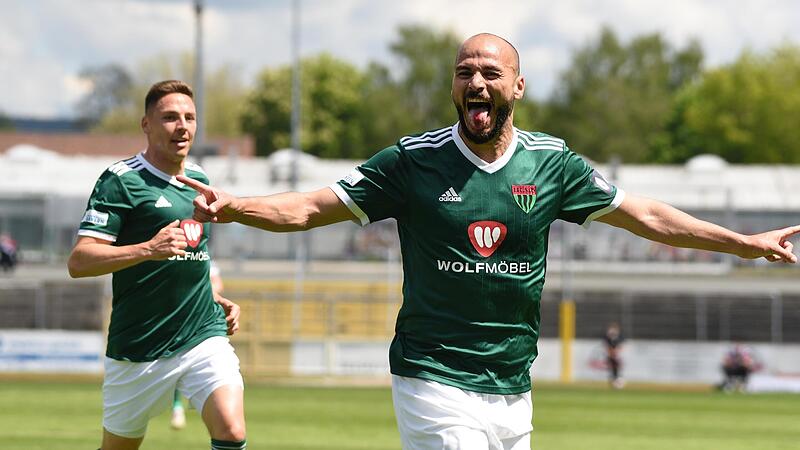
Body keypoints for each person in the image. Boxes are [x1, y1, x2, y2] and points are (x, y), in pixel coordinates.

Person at [179, 34, 800, 450]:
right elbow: (310, 207)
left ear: (517, 87)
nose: (475, 81)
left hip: (511, 385)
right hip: (432, 374)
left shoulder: (553, 164)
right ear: (454, 87)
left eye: (490, 72)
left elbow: (648, 216)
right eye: (464, 72)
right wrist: (237, 207)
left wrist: (742, 243)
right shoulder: (412, 162)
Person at [67, 80, 247, 450]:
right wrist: (148, 248)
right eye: (169, 117)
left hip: (202, 334)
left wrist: (216, 297)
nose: (181, 126)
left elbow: (195, 255)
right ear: (146, 125)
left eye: (189, 118)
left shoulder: (199, 181)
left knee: (231, 429)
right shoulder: (120, 181)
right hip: (139, 347)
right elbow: (80, 260)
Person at [170, 262, 225, 430]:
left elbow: (218, 284)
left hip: (204, 322)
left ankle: (196, 400)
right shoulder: (173, 257)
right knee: (174, 364)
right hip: (177, 322)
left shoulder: (206, 260)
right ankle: (177, 407)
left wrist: (199, 290)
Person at [603, 323, 625, 389]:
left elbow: (621, 346)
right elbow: (607, 347)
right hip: (611, 356)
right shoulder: (608, 338)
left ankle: (618, 381)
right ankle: (615, 382)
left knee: (617, 368)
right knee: (612, 369)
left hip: (617, 355)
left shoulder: (620, 337)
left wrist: (616, 352)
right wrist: (611, 353)